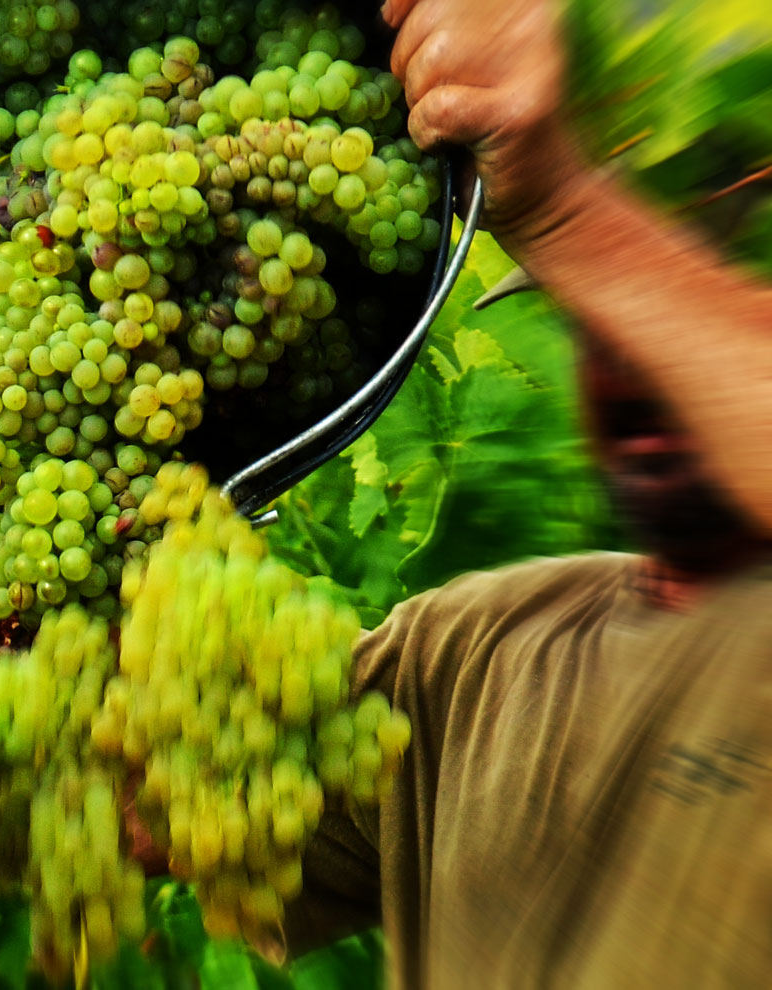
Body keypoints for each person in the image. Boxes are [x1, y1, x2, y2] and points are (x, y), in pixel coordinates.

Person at [278, 0, 772, 986]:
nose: (624, 363)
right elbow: (166, 810)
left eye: (677, 292)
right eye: (593, 319)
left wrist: (564, 209)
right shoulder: (460, 655)